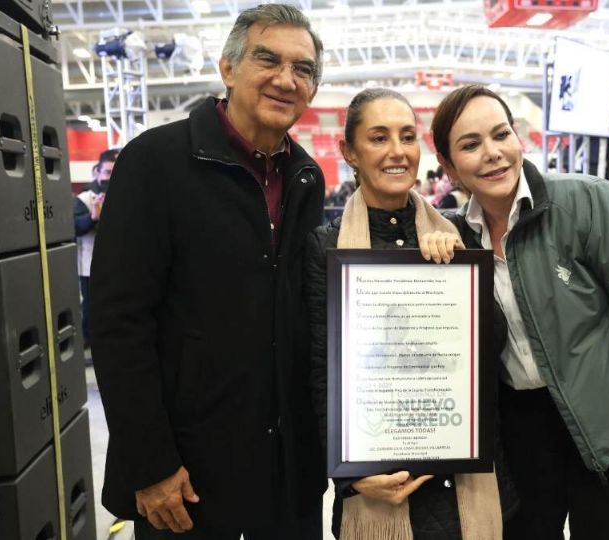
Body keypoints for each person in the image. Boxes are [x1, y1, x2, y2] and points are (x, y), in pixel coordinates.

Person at [89, 4, 327, 538]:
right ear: (228, 68)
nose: (286, 79)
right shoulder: (155, 163)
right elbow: (117, 324)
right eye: (268, 59)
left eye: (304, 69)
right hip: (185, 476)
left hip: (286, 476)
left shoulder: (306, 177)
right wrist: (150, 465)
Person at [431, 85, 609, 539]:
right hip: (521, 435)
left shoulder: (588, 203)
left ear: (519, 139)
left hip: (608, 426)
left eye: (500, 134)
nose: (492, 153)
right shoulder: (456, 238)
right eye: (471, 145)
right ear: (450, 168)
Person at [305, 88, 516, 539]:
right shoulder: (326, 248)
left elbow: (491, 348)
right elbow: (319, 371)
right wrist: (349, 476)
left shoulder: (457, 231)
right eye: (378, 138)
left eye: (407, 137)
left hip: (463, 482)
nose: (397, 152)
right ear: (349, 152)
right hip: (378, 485)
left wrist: (461, 270)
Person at [74, 149, 118, 346]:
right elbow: (74, 228)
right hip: (90, 265)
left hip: (120, 263)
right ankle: (90, 343)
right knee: (92, 308)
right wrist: (93, 217)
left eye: (115, 173)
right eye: (107, 172)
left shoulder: (125, 195)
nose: (111, 178)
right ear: (97, 173)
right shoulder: (84, 198)